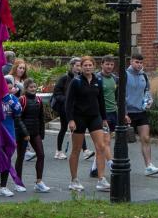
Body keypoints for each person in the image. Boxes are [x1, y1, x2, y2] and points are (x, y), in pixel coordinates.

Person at [64, 55, 112, 192]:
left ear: (94, 66)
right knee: (76, 149)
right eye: (85, 65)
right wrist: (70, 120)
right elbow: (68, 103)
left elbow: (101, 101)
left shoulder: (98, 81)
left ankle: (101, 179)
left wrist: (104, 119)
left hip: (94, 117)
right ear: (81, 67)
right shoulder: (76, 82)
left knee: (101, 147)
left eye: (90, 65)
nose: (88, 67)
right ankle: (74, 180)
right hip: (79, 118)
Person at [123, 52, 158, 176]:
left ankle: (149, 166)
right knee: (122, 141)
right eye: (136, 62)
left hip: (141, 112)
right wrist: (124, 113)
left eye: (141, 62)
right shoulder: (125, 75)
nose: (139, 65)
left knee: (146, 138)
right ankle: (119, 164)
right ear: (131, 62)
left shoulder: (143, 76)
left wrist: (149, 100)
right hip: (127, 113)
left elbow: (147, 91)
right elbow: (120, 95)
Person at [15, 77, 51, 192]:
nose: (33, 89)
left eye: (35, 87)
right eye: (31, 87)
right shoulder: (22, 100)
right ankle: (18, 182)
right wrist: (25, 133)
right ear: (26, 88)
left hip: (35, 132)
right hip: (23, 133)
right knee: (20, 157)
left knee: (41, 155)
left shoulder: (39, 100)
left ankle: (39, 182)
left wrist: (42, 133)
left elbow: (41, 118)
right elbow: (18, 118)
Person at [91, 56, 119, 179]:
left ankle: (94, 168)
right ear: (102, 64)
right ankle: (111, 165)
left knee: (103, 143)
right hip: (102, 114)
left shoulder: (114, 79)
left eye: (111, 65)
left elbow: (117, 96)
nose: (109, 67)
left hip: (113, 112)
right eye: (107, 64)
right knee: (105, 141)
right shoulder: (96, 78)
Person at [51, 57, 81, 160]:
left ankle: (85, 150)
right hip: (64, 108)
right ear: (72, 66)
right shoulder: (65, 78)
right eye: (77, 65)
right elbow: (56, 93)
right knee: (63, 128)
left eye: (80, 65)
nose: (79, 68)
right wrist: (67, 100)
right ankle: (58, 151)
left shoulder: (81, 78)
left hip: (76, 108)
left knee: (78, 127)